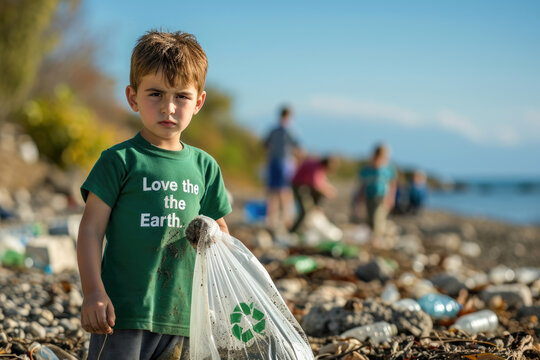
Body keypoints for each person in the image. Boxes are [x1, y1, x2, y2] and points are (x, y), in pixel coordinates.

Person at [76, 30, 232, 360]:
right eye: (155, 94)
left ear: (199, 102)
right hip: (122, 314)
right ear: (133, 98)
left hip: (185, 316)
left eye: (181, 97)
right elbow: (91, 230)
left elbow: (221, 234)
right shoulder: (119, 160)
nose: (169, 107)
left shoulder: (204, 167)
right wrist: (93, 293)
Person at [263, 106, 301, 230]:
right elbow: (298, 148)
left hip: (274, 162)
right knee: (285, 192)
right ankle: (286, 218)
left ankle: (271, 219)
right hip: (284, 163)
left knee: (273, 191)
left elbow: (265, 145)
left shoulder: (274, 131)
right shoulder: (289, 132)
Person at [355, 143, 397, 238]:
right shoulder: (366, 169)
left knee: (378, 217)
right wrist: (359, 197)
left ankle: (377, 237)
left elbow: (392, 184)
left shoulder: (388, 168)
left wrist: (391, 197)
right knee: (369, 217)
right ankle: (373, 236)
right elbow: (362, 184)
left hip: (382, 196)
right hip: (369, 195)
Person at [289, 156, 338, 233]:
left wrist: (330, 189)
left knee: (311, 207)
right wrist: (327, 192)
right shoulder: (315, 168)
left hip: (306, 187)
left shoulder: (319, 168)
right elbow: (316, 185)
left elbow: (323, 181)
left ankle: (316, 210)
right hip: (299, 186)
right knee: (305, 210)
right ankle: (293, 231)